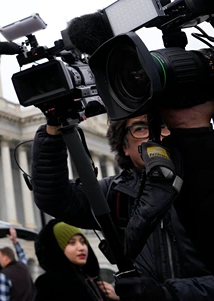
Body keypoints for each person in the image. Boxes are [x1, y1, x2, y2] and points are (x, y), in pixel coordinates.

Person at [30, 111, 214, 300]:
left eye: (163, 125)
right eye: (140, 128)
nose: (154, 136)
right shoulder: (116, 193)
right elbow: (54, 198)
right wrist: (54, 127)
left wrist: (167, 294)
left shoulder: (207, 184)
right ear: (125, 145)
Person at [34, 220, 116, 301]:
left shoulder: (89, 279)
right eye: (71, 242)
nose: (81, 248)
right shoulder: (49, 285)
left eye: (83, 242)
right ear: (56, 248)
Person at [0, 228, 33, 301]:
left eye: (0, 257)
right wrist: (15, 241)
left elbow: (3, 299)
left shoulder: (3, 275)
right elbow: (22, 255)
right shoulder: (23, 266)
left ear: (6, 258)